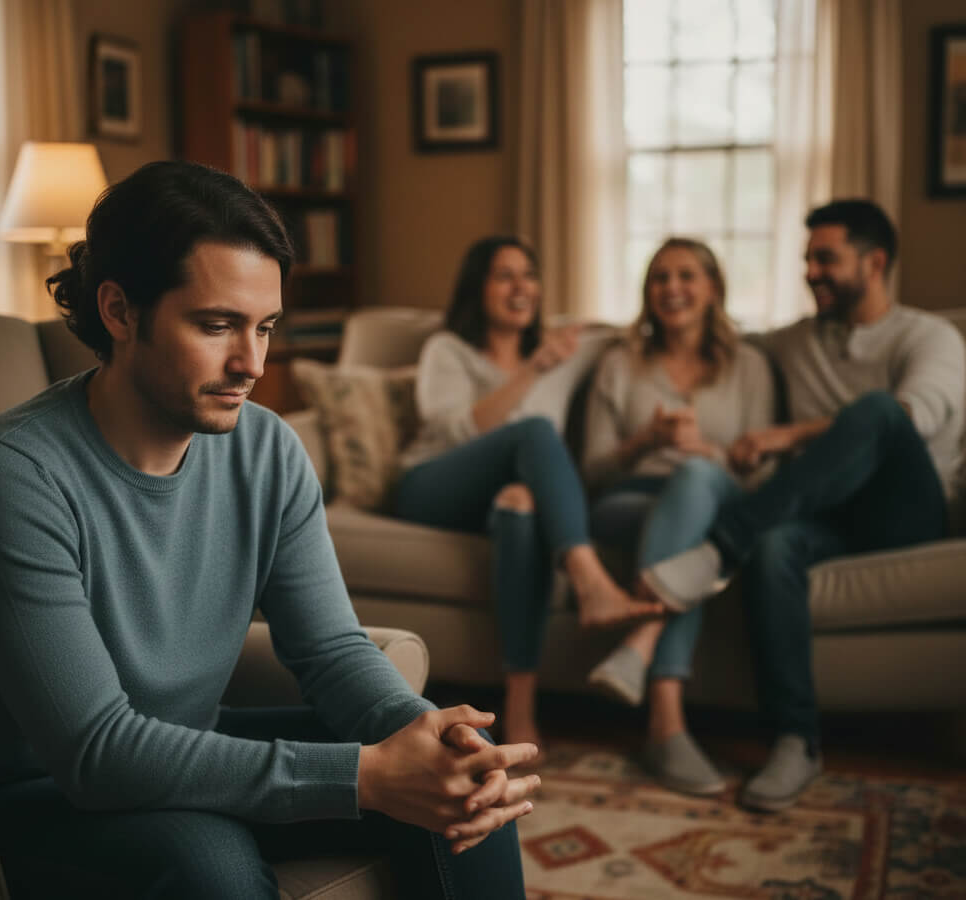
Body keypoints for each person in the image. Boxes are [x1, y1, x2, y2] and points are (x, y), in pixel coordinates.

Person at [0, 161, 543, 900]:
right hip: (40, 793)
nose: (252, 363)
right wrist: (365, 776)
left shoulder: (267, 449)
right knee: (210, 865)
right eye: (216, 326)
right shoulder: (12, 475)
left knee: (466, 768)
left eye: (264, 327)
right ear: (119, 310)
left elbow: (330, 651)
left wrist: (424, 733)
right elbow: (97, 750)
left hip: (192, 748)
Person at [639, 199, 966, 811]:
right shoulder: (794, 341)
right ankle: (796, 740)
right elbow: (712, 332)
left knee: (877, 411)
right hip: (827, 518)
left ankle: (718, 548)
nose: (811, 272)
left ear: (875, 263)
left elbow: (911, 418)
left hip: (908, 514)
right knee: (774, 545)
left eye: (826, 259)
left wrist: (785, 436)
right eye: (808, 260)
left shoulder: (930, 337)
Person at [393, 235, 662, 750]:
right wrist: (534, 368)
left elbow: (623, 332)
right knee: (536, 431)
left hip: (500, 498)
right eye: (505, 276)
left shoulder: (564, 354)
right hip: (432, 486)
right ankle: (589, 579)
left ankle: (518, 707)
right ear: (478, 287)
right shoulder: (447, 349)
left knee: (520, 508)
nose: (522, 287)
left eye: (529, 275)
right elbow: (457, 430)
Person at [581, 237, 775, 796]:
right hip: (631, 500)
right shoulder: (619, 363)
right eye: (660, 278)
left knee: (694, 481)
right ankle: (665, 727)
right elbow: (592, 471)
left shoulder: (750, 366)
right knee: (688, 518)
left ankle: (648, 670)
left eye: (686, 275)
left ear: (713, 287)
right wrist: (644, 442)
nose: (672, 288)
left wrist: (707, 453)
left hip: (717, 496)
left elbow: (763, 477)